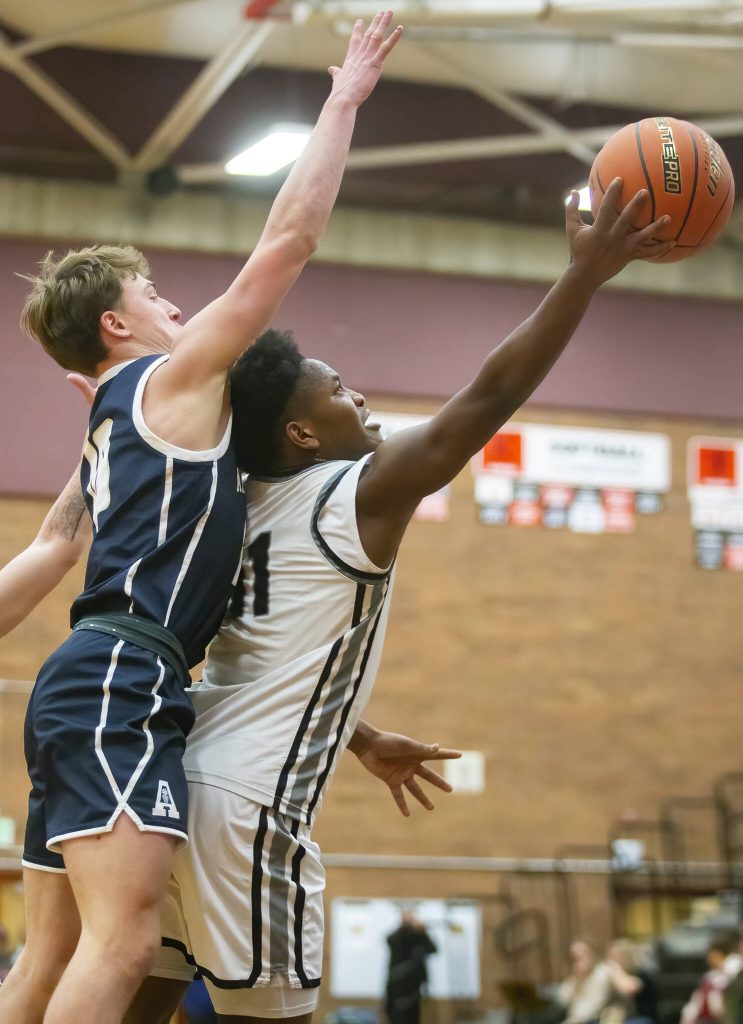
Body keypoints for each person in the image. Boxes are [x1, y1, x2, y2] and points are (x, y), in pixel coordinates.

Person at [2, 177, 673, 1023]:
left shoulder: (230, 508)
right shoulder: (358, 493)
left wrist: (352, 731)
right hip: (249, 805)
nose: (359, 399)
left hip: (178, 774)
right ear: (301, 435)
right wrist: (585, 275)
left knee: (141, 999)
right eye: (338, 389)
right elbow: (489, 396)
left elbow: (256, 654)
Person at [0, 12, 404, 1024]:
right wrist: (342, 98)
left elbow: (54, 544)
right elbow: (290, 240)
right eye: (161, 299)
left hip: (79, 681)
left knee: (43, 963)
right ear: (117, 326)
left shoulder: (107, 431)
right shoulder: (165, 383)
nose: (183, 312)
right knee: (127, 942)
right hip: (121, 681)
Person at [385, 910, 437, 1024]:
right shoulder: (396, 937)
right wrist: (406, 927)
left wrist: (423, 932)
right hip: (397, 981)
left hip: (414, 982)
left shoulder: (418, 936)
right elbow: (391, 940)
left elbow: (433, 949)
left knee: (413, 1013)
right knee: (397, 1012)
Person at [682, 932, 741, 1024]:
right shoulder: (709, 976)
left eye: (711, 955)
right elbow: (696, 1002)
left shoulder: (735, 966)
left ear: (717, 953)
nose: (709, 959)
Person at [556, 940, 613, 1024]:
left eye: (584, 953)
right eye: (576, 956)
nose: (581, 957)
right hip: (574, 1020)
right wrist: (577, 980)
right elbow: (563, 1001)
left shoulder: (604, 970)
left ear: (592, 953)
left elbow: (628, 986)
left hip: (596, 1019)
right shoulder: (572, 979)